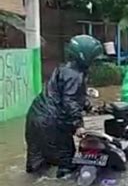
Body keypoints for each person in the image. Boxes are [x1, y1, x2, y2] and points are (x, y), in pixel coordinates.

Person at [25, 35, 103, 178]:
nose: (94, 62)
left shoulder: (64, 69)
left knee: (37, 164)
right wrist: (78, 125)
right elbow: (70, 101)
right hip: (53, 122)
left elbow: (68, 95)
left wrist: (89, 107)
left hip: (35, 117)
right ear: (85, 55)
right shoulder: (75, 75)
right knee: (67, 163)